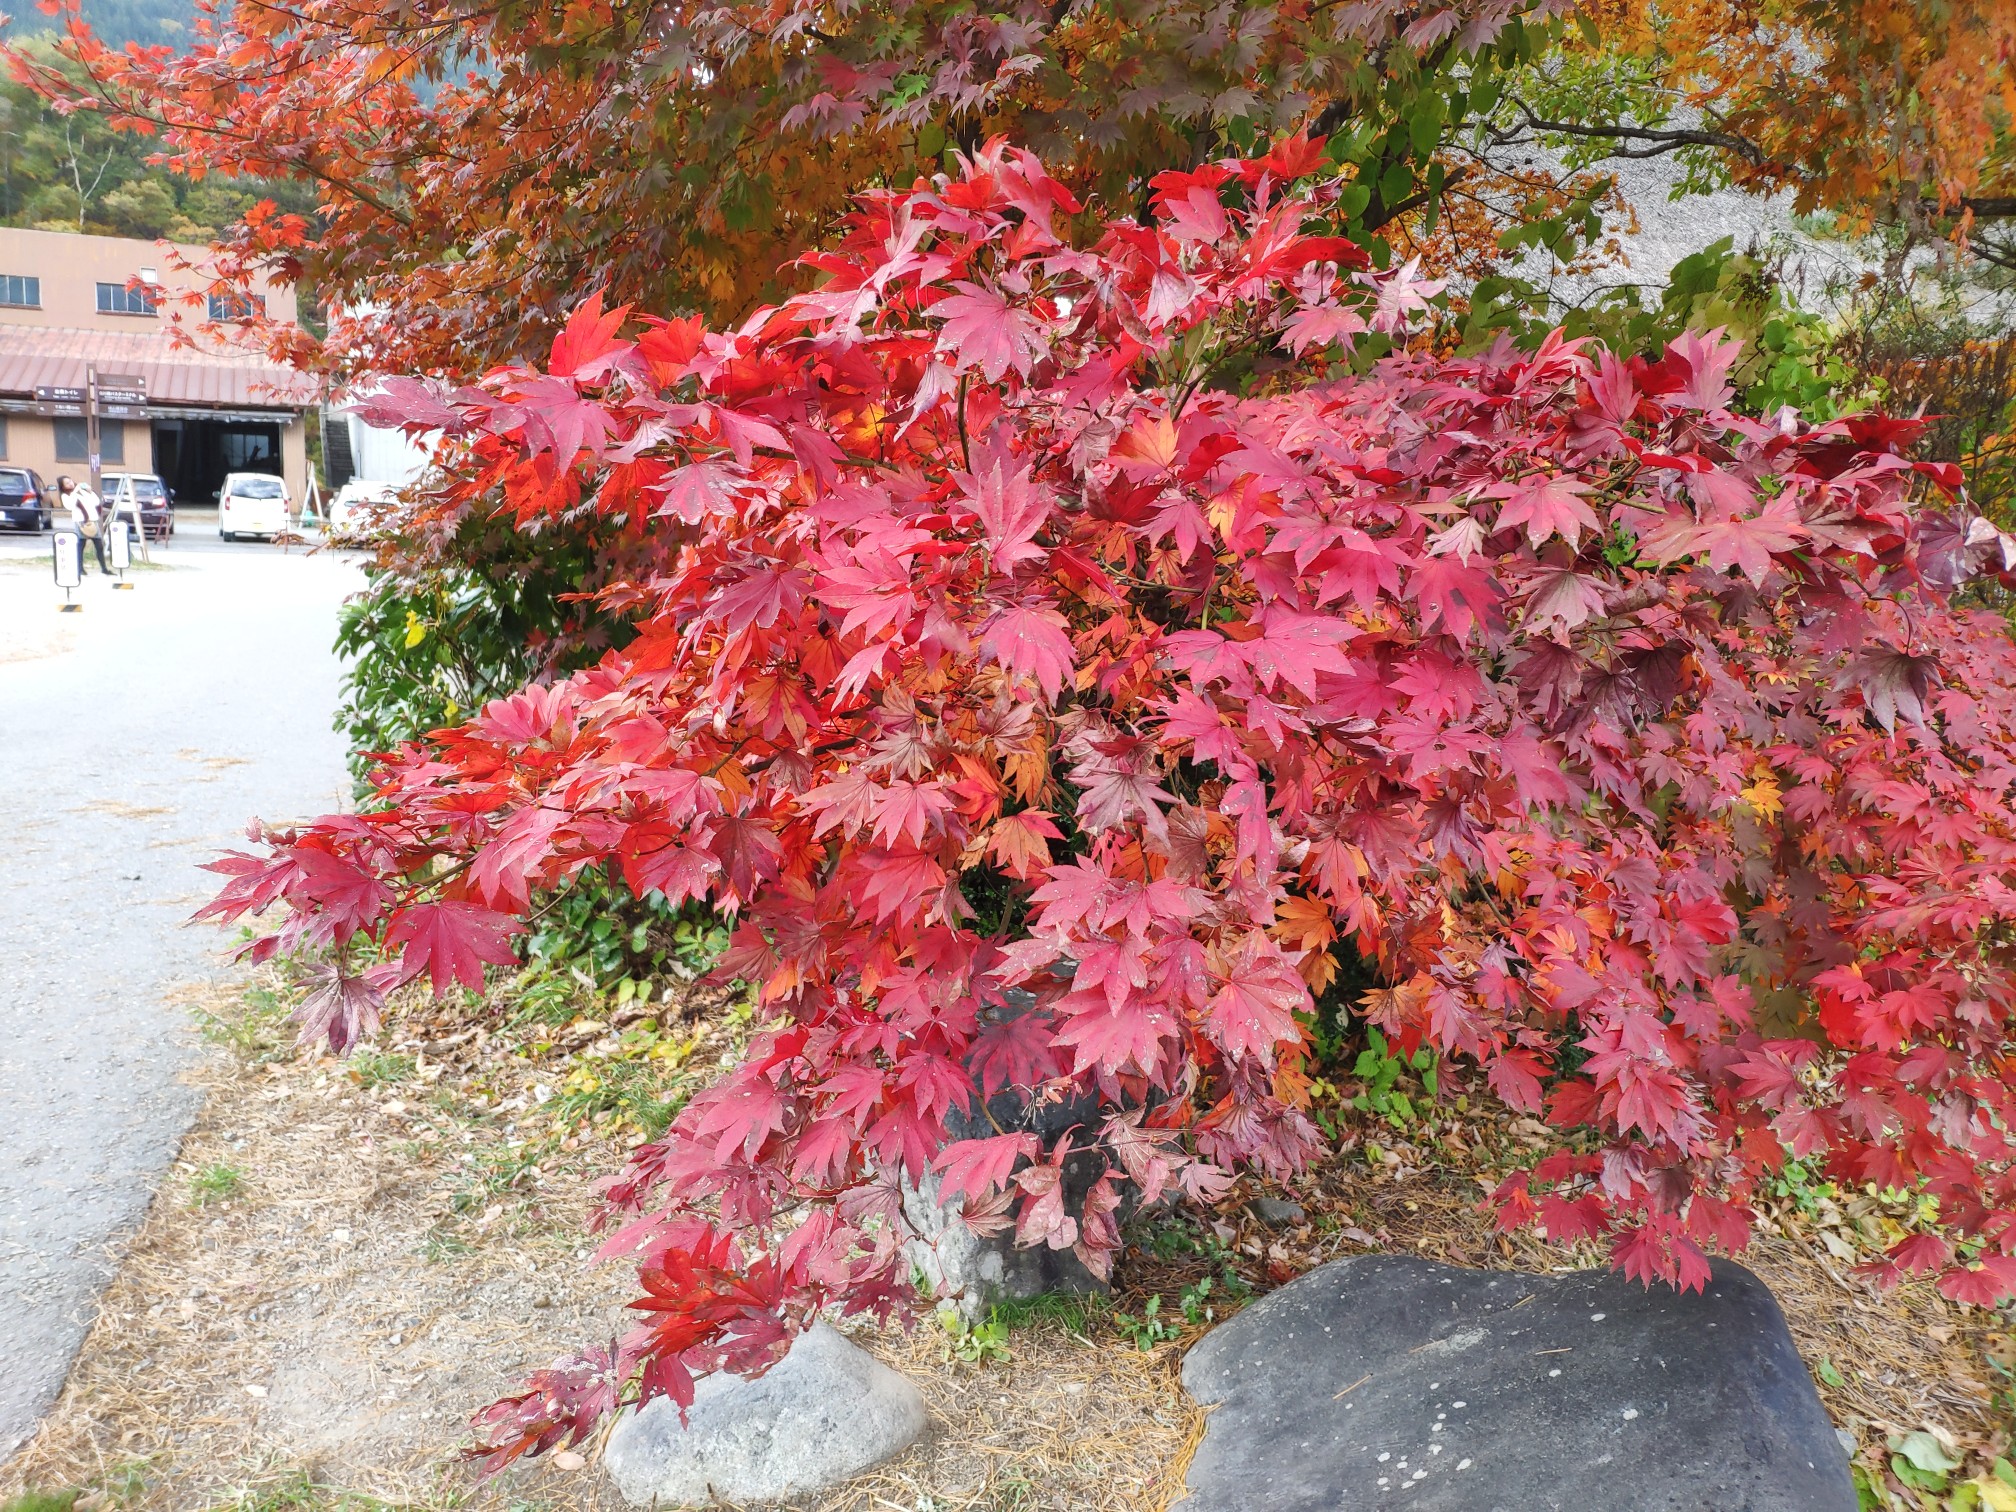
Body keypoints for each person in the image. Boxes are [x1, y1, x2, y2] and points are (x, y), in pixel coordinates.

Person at [57, 475, 108, 574]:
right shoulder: (66, 495)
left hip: (92, 520)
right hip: (80, 521)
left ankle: (104, 568)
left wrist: (90, 491)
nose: (70, 483)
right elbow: (70, 505)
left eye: (70, 481)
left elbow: (96, 502)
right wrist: (75, 492)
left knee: (99, 545)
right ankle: (80, 569)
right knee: (81, 545)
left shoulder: (83, 491)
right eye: (67, 483)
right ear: (63, 486)